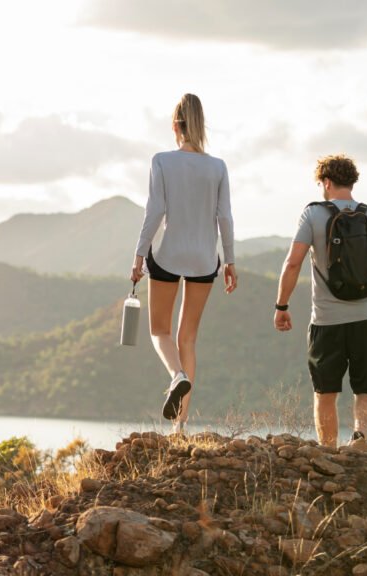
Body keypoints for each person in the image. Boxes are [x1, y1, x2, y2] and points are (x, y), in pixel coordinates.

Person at [273, 154, 367, 448]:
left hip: (326, 321)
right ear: (352, 182)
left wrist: (281, 305)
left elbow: (292, 264)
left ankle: (329, 451)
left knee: (325, 391)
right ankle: (360, 437)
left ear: (326, 182)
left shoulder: (312, 216)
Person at [130, 93, 237, 433]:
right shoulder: (217, 167)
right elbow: (225, 218)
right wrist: (230, 262)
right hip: (206, 259)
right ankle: (180, 426)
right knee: (187, 338)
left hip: (167, 254)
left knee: (159, 330)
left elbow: (155, 211)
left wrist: (138, 254)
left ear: (175, 125)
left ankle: (177, 376)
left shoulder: (161, 161)